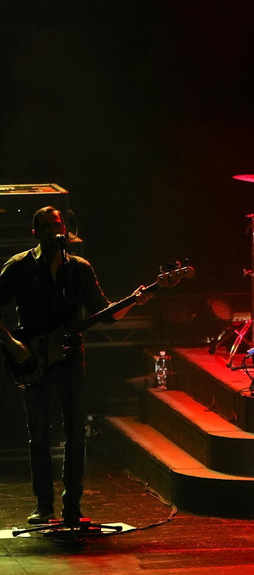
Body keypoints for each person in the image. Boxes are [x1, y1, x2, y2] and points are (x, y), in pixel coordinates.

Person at [0, 207, 150, 525]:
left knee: (75, 434)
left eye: (58, 225)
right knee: (39, 435)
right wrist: (12, 344)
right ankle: (44, 507)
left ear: (65, 229)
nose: (54, 231)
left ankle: (72, 509)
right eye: (46, 226)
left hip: (70, 358)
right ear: (35, 233)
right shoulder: (19, 266)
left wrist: (133, 301)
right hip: (32, 358)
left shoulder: (78, 268)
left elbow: (104, 313)